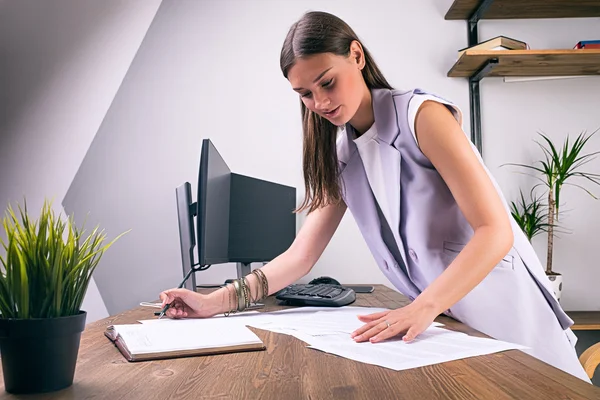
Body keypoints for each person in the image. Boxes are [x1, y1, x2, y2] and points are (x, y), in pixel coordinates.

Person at [159, 11, 590, 382]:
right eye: (305, 94)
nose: (320, 102)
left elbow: (494, 231)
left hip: (509, 314)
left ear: (357, 55)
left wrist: (422, 308)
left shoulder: (423, 116)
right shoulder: (341, 151)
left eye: (327, 83)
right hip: (454, 324)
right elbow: (300, 257)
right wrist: (214, 302)